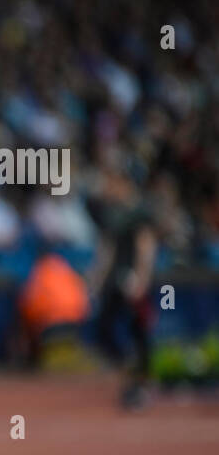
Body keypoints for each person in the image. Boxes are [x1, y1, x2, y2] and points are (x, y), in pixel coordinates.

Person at [90, 164, 158, 409]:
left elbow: (146, 245)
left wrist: (141, 278)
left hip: (132, 280)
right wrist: (96, 280)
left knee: (138, 332)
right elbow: (106, 250)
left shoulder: (139, 212)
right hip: (115, 281)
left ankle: (140, 385)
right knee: (106, 329)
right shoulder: (112, 214)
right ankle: (129, 374)